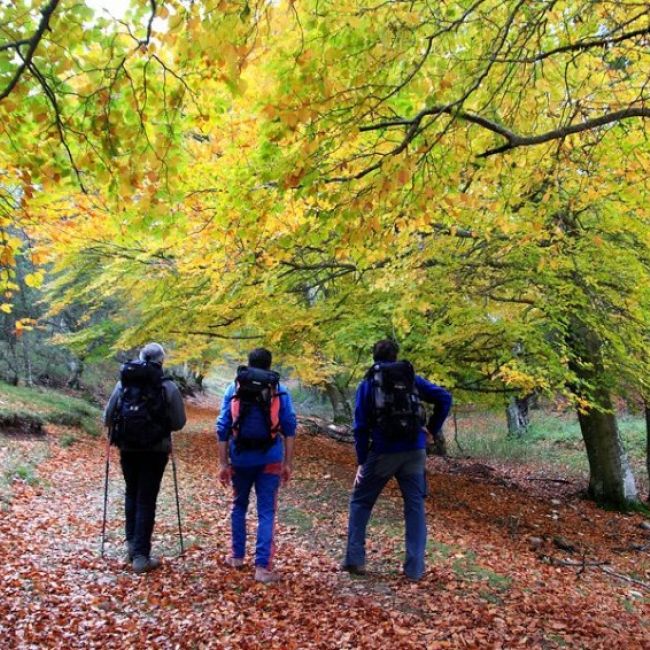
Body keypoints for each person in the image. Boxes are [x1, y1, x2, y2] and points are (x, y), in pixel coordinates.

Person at [342, 339, 452, 582]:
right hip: (414, 451)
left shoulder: (368, 384)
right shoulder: (412, 379)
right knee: (414, 507)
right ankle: (414, 569)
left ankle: (355, 559)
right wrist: (431, 429)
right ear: (396, 356)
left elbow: (360, 426)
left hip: (382, 451)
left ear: (374, 357)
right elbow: (445, 398)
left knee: (360, 501)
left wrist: (361, 461)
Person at [104, 342, 186, 574]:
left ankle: (132, 545)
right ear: (161, 360)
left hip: (127, 447)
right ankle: (141, 555)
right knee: (146, 498)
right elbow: (179, 422)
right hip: (156, 449)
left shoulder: (124, 383)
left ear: (140, 358)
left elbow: (108, 417)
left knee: (132, 491)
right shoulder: (166, 386)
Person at [216, 348, 296, 584]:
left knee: (239, 506)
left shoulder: (235, 388)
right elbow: (290, 428)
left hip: (239, 459)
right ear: (270, 365)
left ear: (248, 364)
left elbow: (222, 427)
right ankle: (262, 567)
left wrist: (223, 463)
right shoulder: (279, 390)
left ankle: (237, 556)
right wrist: (287, 463)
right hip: (270, 459)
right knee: (266, 512)